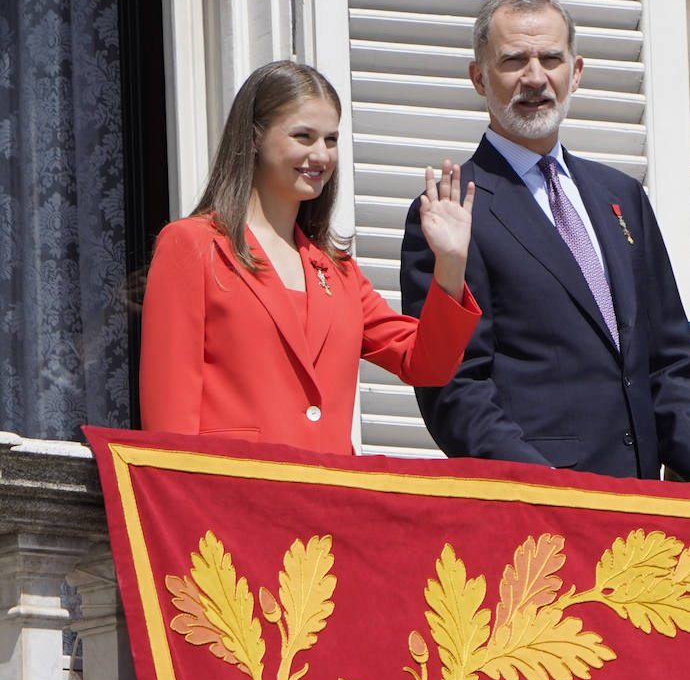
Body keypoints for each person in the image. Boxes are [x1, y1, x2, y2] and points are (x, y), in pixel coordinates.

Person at [399, 0, 690, 483]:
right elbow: (454, 386)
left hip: (643, 506)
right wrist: (546, 485)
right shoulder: (450, 209)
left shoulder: (621, 196)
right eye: (513, 61)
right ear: (478, 78)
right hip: (539, 515)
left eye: (551, 58)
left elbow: (668, 359)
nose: (535, 78)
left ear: (575, 72)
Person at [140, 60, 481, 453]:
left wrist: (451, 262)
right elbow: (168, 423)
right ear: (253, 137)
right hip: (231, 500)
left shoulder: (336, 269)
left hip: (327, 502)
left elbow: (427, 364)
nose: (321, 155)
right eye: (303, 136)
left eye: (331, 140)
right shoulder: (193, 244)